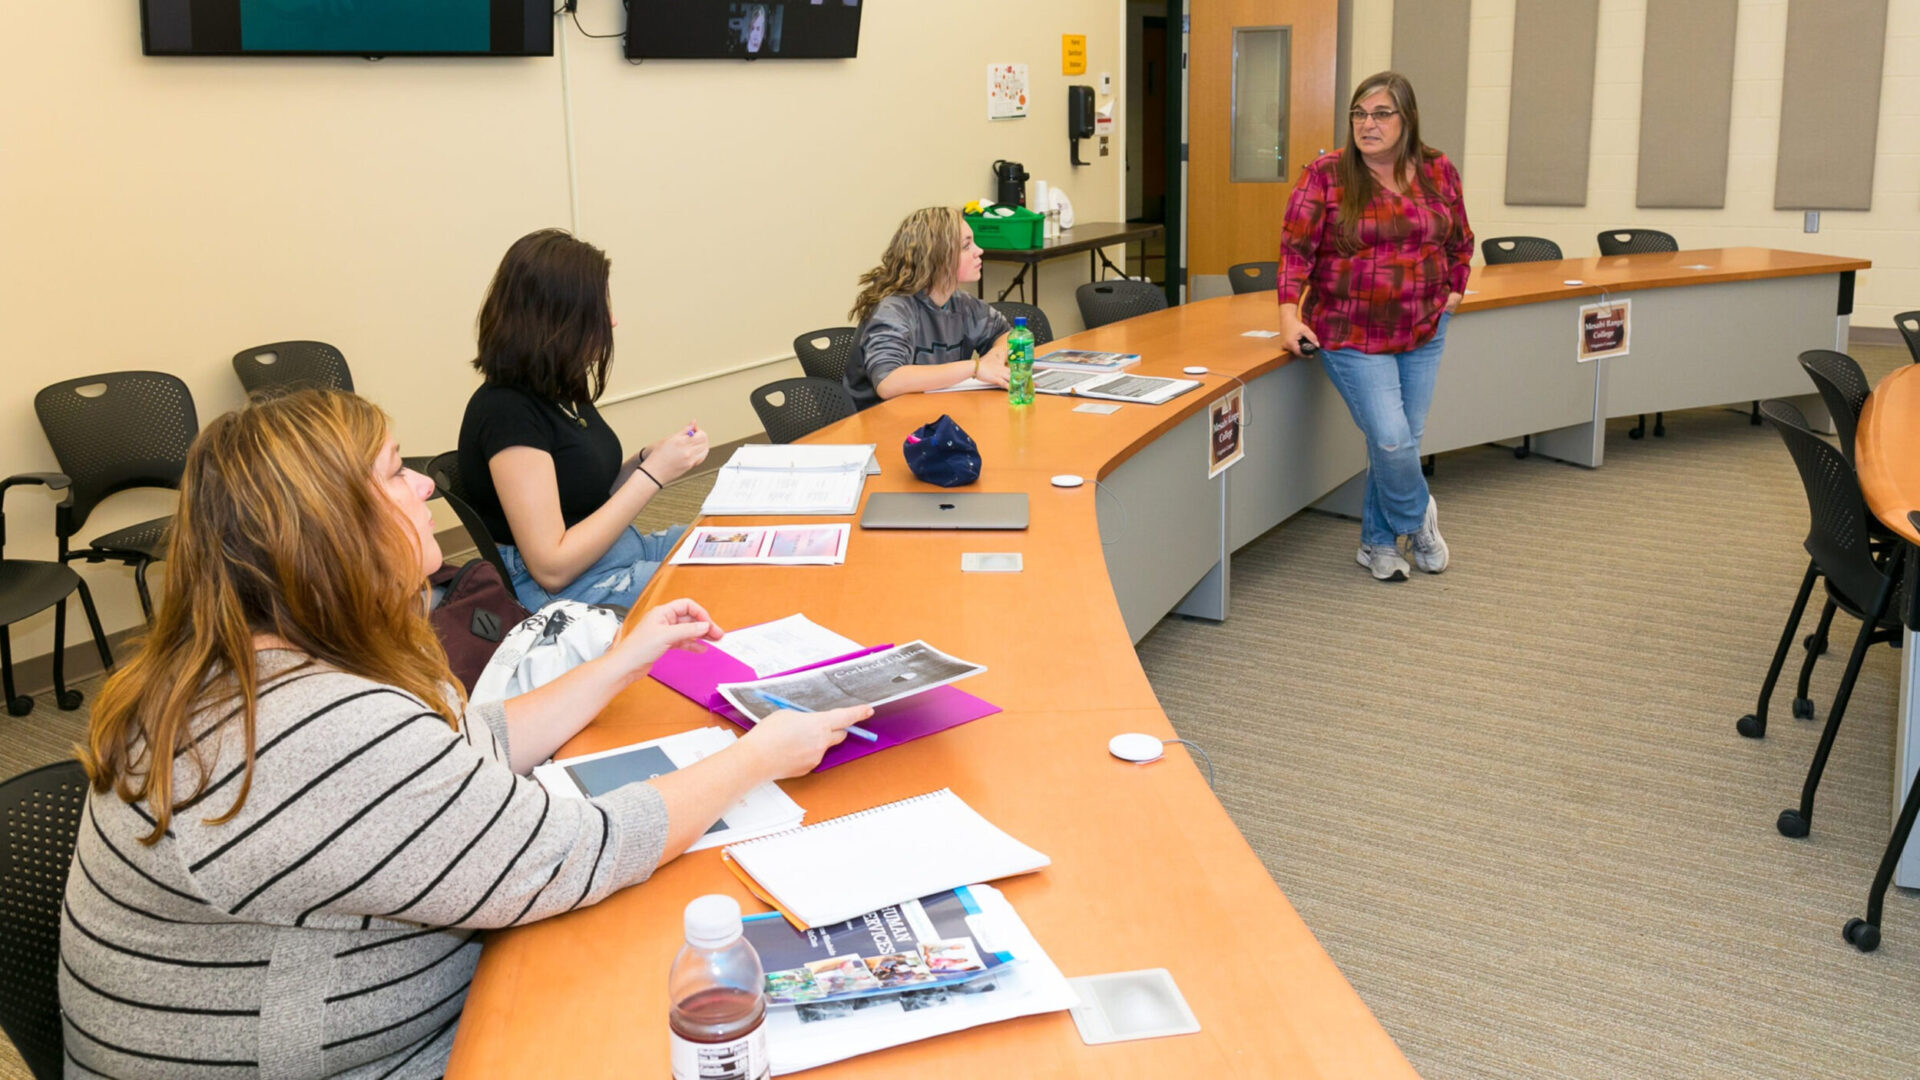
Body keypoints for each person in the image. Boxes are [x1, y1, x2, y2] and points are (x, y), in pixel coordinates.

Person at [61, 390, 869, 1077]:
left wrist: (628, 659)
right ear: (329, 528)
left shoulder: (249, 670)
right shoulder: (308, 731)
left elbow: (460, 739)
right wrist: (756, 756)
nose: (423, 485)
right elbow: (572, 850)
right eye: (395, 471)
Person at [1276, 70, 1473, 582]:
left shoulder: (1437, 169)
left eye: (1381, 114)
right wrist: (1288, 315)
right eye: (1359, 114)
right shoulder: (1326, 175)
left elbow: (1461, 239)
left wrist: (1455, 287)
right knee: (1390, 440)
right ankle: (1419, 519)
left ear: (1407, 120)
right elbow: (1294, 252)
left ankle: (1378, 542)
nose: (1368, 124)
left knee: (1405, 437)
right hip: (1350, 331)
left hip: (1424, 328)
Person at [458, 229, 708, 612]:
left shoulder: (559, 387)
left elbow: (587, 497)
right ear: (557, 318)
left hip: (617, 552)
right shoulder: (506, 412)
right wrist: (653, 475)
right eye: (598, 309)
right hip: (574, 589)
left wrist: (643, 460)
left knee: (730, 545)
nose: (612, 320)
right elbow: (552, 568)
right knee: (720, 585)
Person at [842, 206, 1014, 410]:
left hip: (932, 414)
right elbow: (888, 382)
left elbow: (1005, 334)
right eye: (966, 246)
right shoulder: (894, 309)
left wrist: (993, 358)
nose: (979, 251)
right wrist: (975, 368)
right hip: (878, 424)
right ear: (938, 258)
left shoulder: (960, 303)